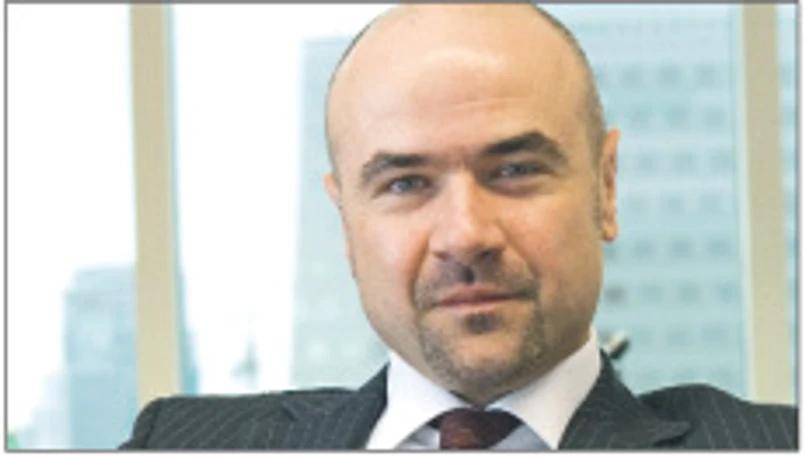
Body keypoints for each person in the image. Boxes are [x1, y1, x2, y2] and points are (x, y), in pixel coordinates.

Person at [120, 4, 797, 450]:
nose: (465, 235)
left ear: (605, 187)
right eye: (406, 183)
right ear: (347, 225)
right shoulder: (181, 442)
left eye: (514, 170)